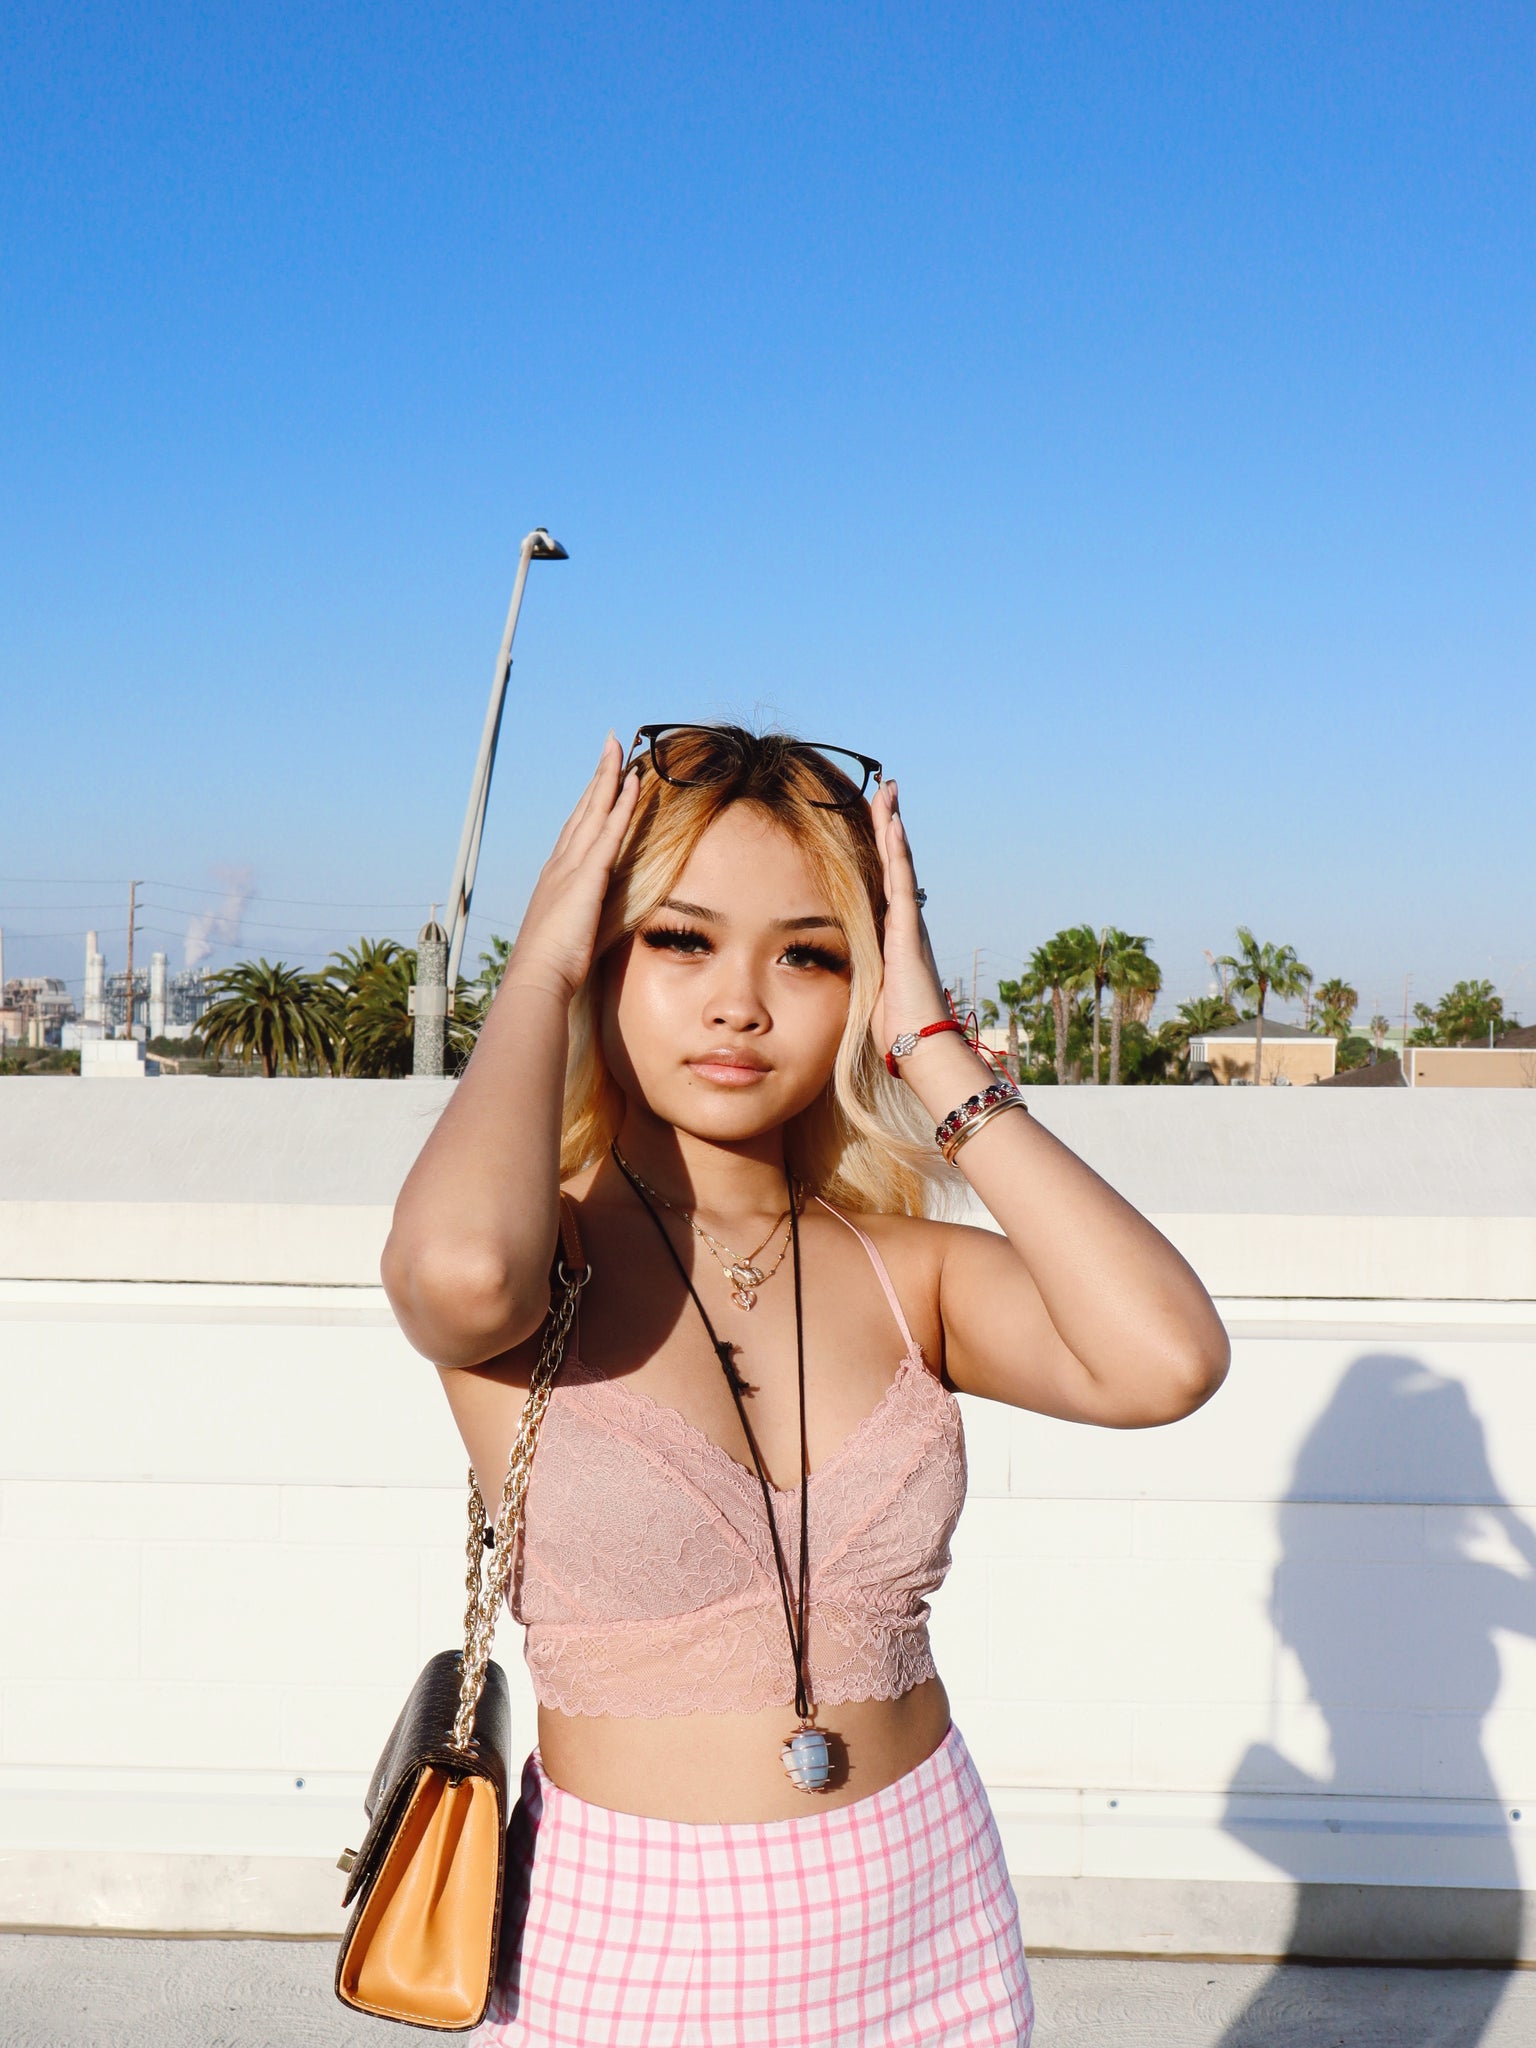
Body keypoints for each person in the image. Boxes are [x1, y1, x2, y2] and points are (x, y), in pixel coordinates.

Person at [383, 724, 1229, 2047]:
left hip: (927, 1914)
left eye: (811, 954)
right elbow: (454, 1272)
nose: (741, 1003)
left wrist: (936, 1046)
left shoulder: (911, 1272)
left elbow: (1166, 1361)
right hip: (628, 1936)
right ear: (599, 951)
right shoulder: (532, 1260)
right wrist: (540, 966)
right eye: (678, 940)